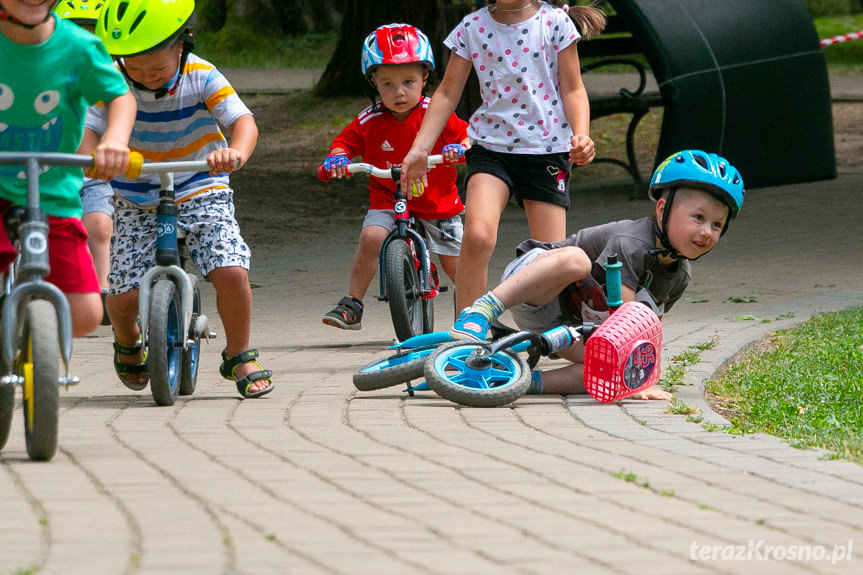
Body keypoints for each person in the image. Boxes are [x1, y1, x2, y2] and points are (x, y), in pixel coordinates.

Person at [87, 0, 273, 398]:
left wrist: (234, 151)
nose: (146, 77)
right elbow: (89, 130)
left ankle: (239, 353)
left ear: (181, 46)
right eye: (135, 68)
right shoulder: (110, 82)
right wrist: (93, 158)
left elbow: (243, 121)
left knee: (232, 271)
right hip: (135, 197)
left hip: (201, 187)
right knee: (121, 295)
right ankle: (127, 341)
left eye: (156, 68)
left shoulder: (201, 75)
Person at [450, 150, 745, 400]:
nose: (707, 232)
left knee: (612, 366)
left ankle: (524, 381)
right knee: (577, 261)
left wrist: (635, 379)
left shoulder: (680, 274)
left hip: (563, 323)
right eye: (698, 218)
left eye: (717, 225)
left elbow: (645, 331)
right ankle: (483, 309)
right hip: (535, 282)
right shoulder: (633, 242)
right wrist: (639, 374)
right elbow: (627, 321)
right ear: (661, 209)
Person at [400, 0, 606, 314]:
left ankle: (553, 335)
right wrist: (419, 148)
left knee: (550, 258)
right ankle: (467, 334)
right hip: (491, 149)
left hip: (546, 152)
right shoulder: (473, 26)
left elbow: (573, 88)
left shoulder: (555, 23)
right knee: (477, 237)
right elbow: (446, 92)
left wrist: (582, 133)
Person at [320, 23, 470, 331]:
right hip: (389, 197)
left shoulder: (436, 114)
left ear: (425, 77)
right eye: (387, 84)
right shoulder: (368, 120)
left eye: (408, 81)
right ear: (373, 81)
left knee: (458, 264)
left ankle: (474, 312)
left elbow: (467, 135)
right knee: (371, 238)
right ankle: (352, 303)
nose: (398, 92)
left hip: (438, 202)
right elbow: (344, 143)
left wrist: (460, 148)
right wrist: (337, 158)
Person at [0, 0, 135, 338]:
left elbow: (120, 97)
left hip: (52, 194)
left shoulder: (78, 46)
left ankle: (31, 333)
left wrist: (114, 141)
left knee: (86, 314)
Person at [56, 0, 115, 325]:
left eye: (94, 31)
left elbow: (123, 108)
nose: (85, 38)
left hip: (89, 172)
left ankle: (102, 288)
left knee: (100, 225)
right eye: (77, 27)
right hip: (44, 170)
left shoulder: (106, 74)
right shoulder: (47, 69)